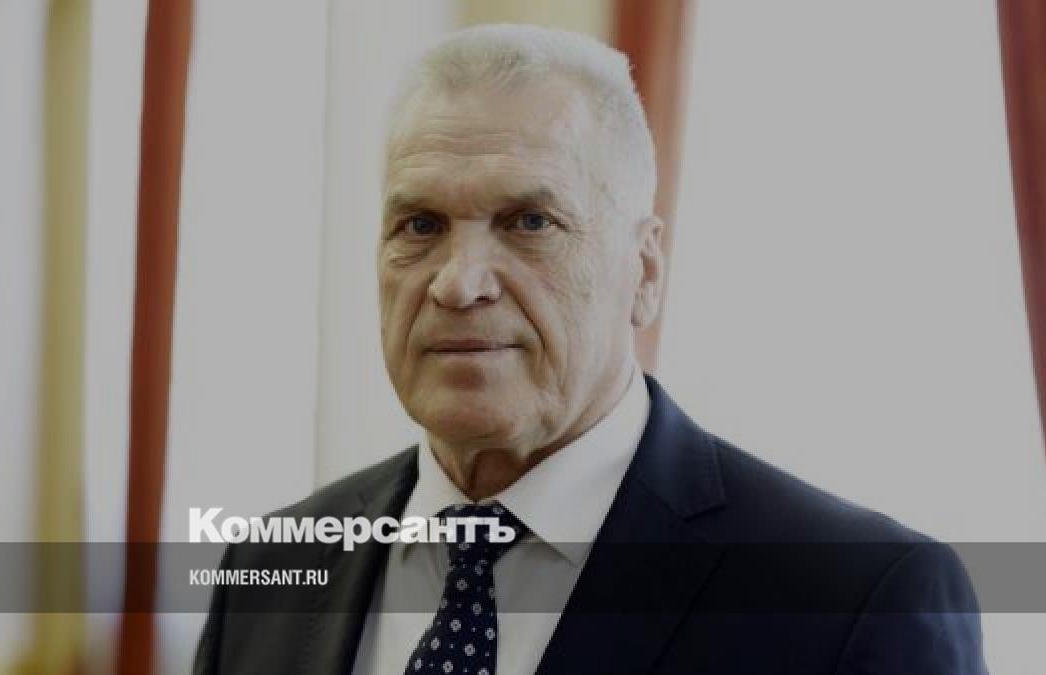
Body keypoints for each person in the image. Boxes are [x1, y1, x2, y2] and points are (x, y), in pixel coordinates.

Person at [194, 24, 985, 675]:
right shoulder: (266, 574)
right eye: (420, 225)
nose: (458, 282)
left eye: (529, 223)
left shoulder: (855, 600)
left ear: (644, 271)